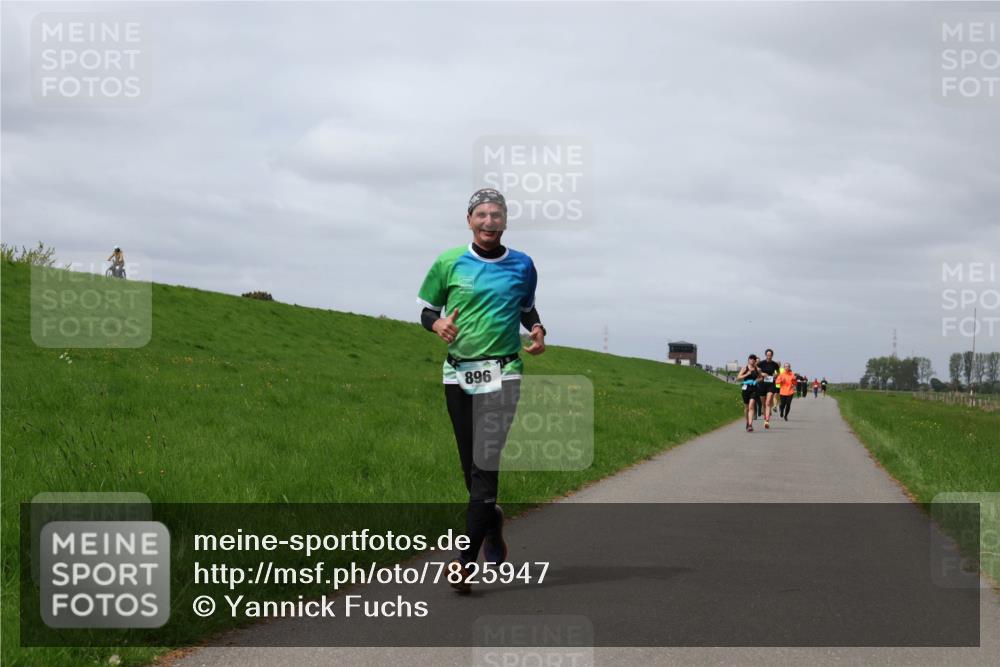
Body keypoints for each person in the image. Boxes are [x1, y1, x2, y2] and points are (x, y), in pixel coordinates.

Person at [417, 188, 546, 594]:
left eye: (497, 215)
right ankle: (491, 524)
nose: (490, 221)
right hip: (458, 373)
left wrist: (537, 329)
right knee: (468, 468)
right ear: (469, 220)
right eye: (482, 215)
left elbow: (526, 308)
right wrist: (437, 324)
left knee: (484, 464)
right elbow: (427, 310)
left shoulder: (523, 264)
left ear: (505, 221)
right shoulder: (448, 262)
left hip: (504, 371)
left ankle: (464, 563)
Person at [737, 354, 762, 432]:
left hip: (754, 389)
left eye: (753, 359)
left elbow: (761, 377)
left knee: (751, 406)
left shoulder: (757, 369)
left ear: (755, 361)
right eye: (751, 359)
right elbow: (738, 378)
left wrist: (756, 381)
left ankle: (750, 424)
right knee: (746, 407)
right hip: (746, 389)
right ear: (748, 360)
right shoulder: (745, 368)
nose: (752, 360)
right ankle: (747, 422)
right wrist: (747, 374)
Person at [756, 348, 780, 429]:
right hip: (762, 384)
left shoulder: (774, 364)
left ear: (772, 355)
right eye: (768, 355)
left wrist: (776, 375)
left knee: (768, 401)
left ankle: (767, 421)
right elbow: (755, 369)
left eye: (770, 355)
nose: (769, 356)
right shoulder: (761, 363)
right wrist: (762, 373)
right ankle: (765, 417)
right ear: (765, 355)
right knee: (763, 403)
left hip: (771, 384)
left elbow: (778, 372)